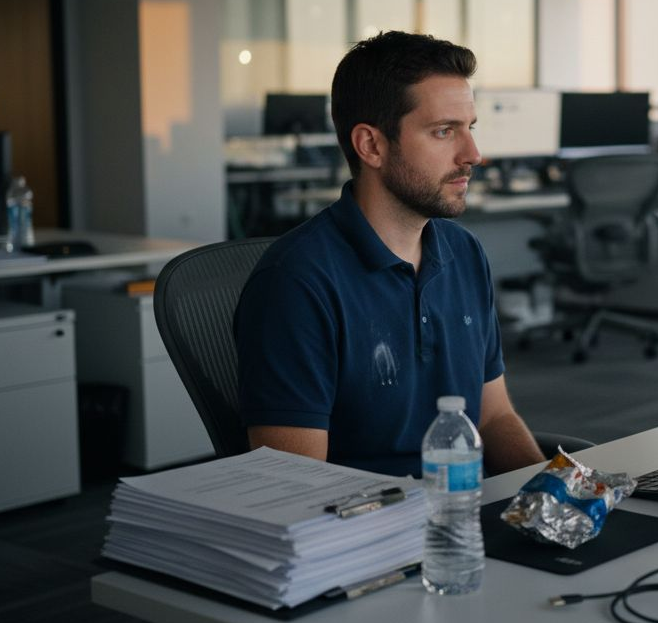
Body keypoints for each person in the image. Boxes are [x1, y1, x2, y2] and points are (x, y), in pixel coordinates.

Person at [234, 31, 546, 477]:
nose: (473, 155)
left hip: (463, 517)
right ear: (372, 146)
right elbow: (295, 484)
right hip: (371, 534)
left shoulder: (464, 253)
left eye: (469, 129)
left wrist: (546, 495)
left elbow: (493, 418)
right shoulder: (296, 281)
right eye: (444, 132)